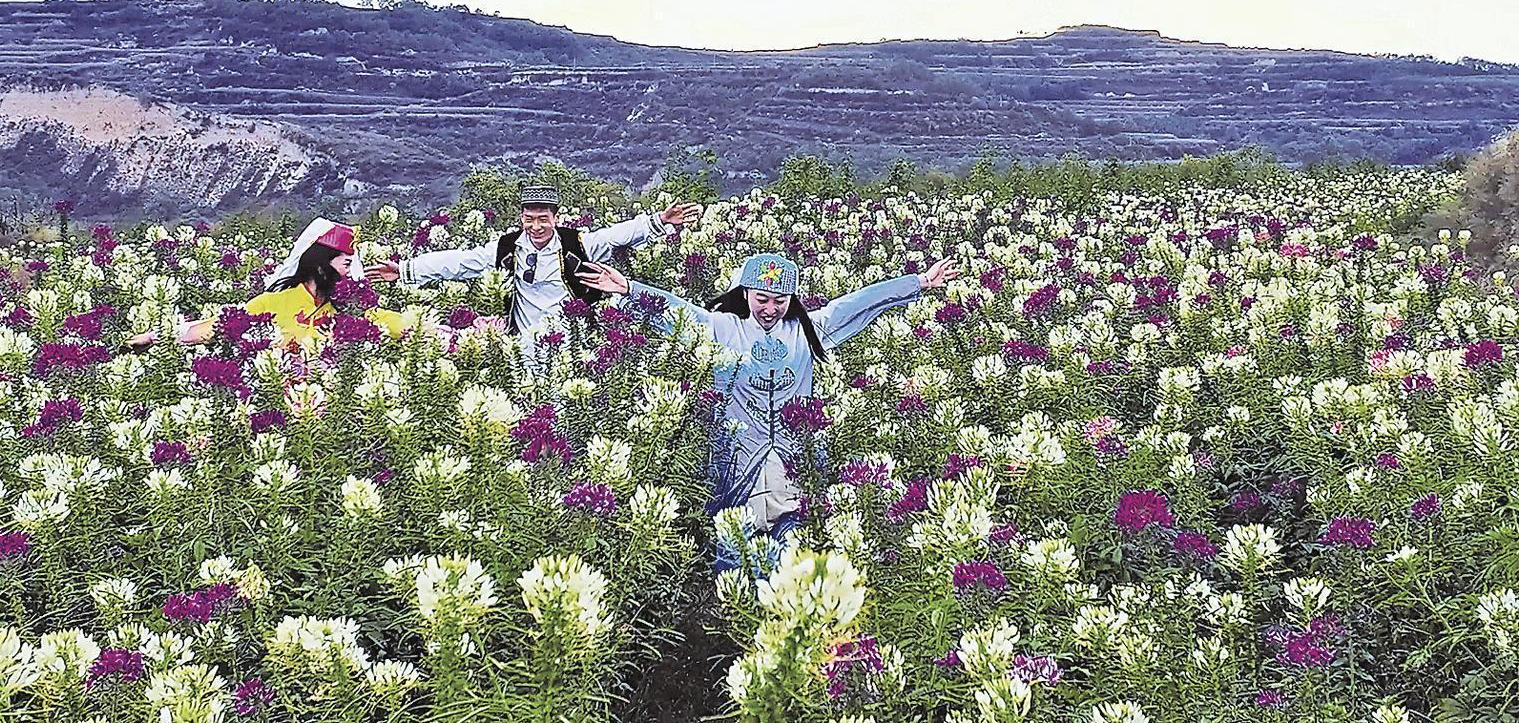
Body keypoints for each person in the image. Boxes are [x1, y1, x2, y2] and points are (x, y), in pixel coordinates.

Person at [578, 251, 958, 545]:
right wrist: (630, 290)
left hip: (793, 451)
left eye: (780, 300)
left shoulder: (807, 330)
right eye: (762, 299)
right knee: (736, 536)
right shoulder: (724, 327)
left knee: (792, 533)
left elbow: (857, 304)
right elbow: (678, 313)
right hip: (740, 451)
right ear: (745, 293)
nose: (770, 309)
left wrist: (918, 283)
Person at [365, 183, 701, 340]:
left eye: (543, 218)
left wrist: (659, 221)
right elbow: (462, 262)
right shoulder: (508, 247)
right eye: (529, 219)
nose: (536, 226)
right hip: (523, 342)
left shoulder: (577, 243)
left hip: (573, 341)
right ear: (521, 217)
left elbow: (618, 235)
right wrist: (406, 270)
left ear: (555, 217)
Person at [128, 218, 420, 350]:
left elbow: (392, 323)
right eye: (344, 262)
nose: (351, 271)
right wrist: (157, 336)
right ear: (319, 264)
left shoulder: (349, 310)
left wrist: (434, 332)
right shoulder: (274, 302)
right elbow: (219, 326)